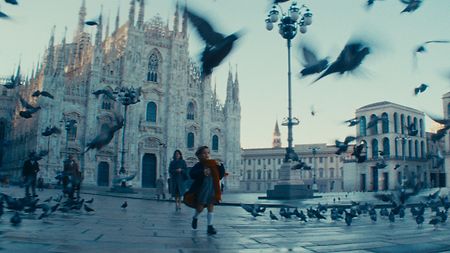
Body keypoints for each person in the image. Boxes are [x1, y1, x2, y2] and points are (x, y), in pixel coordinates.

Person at [183, 146, 225, 235]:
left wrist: (220, 166)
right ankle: (195, 217)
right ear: (199, 156)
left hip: (213, 188)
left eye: (208, 153)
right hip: (202, 189)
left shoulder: (214, 164)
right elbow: (192, 174)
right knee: (200, 208)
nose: (207, 155)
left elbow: (220, 175)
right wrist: (203, 172)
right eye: (204, 153)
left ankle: (210, 226)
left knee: (211, 206)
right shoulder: (199, 165)